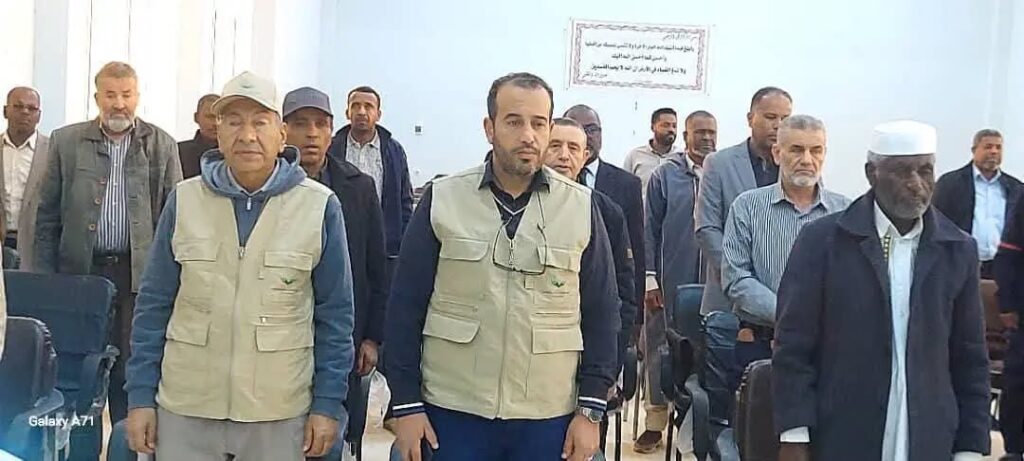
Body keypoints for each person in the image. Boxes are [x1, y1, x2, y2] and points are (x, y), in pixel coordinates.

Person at [386, 72, 619, 461]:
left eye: (538, 123)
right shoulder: (443, 200)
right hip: (454, 410)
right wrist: (406, 404)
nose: (528, 135)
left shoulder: (580, 207)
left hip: (548, 415)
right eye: (514, 122)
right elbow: (404, 307)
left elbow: (602, 313)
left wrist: (590, 410)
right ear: (489, 128)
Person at [123, 71, 355, 460]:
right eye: (233, 122)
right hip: (187, 405)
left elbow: (336, 316)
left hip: (278, 409)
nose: (247, 135)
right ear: (217, 132)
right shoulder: (184, 200)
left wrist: (327, 404)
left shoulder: (318, 206)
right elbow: (153, 305)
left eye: (259, 122)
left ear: (281, 134)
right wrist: (141, 396)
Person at [773, 120, 991, 461]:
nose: (916, 183)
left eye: (925, 170)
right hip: (843, 432)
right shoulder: (824, 242)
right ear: (871, 174)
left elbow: (970, 358)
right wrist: (794, 436)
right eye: (902, 172)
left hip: (929, 436)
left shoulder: (957, 250)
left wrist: (970, 448)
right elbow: (793, 346)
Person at [34, 61, 182, 423]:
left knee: (132, 365)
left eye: (126, 95)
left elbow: (178, 219)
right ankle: (77, 439)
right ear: (96, 97)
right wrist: (45, 280)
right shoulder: (66, 142)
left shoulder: (161, 144)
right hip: (79, 274)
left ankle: (125, 438)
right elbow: (47, 215)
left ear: (137, 97)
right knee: (76, 362)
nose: (119, 104)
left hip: (138, 278)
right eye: (111, 95)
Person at [283, 86, 388, 453]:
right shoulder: (266, 188)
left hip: (342, 334)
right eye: (300, 124)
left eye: (320, 125)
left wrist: (372, 337)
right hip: (280, 335)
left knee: (330, 434)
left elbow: (376, 266)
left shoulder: (358, 187)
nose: (311, 134)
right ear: (282, 131)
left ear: (331, 132)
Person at [721, 115, 850, 386]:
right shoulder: (747, 207)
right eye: (796, 150)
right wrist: (792, 315)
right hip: (761, 346)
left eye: (816, 150)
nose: (807, 159)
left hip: (829, 349)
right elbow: (736, 278)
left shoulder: (846, 213)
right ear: (777, 154)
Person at [640, 109, 717, 453]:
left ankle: (696, 421)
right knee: (659, 349)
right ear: (686, 136)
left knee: (706, 351)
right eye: (699, 132)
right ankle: (654, 423)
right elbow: (648, 229)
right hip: (669, 281)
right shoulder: (665, 175)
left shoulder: (722, 172)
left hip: (713, 284)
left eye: (711, 132)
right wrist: (649, 279)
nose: (706, 137)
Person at [544, 116, 635, 392]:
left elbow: (623, 297)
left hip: (588, 354)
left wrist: (608, 371)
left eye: (573, 148)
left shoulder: (606, 212)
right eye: (555, 146)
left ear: (585, 156)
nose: (564, 155)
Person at [696, 86, 792, 316]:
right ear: (750, 119)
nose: (778, 125)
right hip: (728, 299)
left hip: (787, 298)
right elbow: (707, 228)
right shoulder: (719, 164)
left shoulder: (799, 166)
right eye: (770, 117)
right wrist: (741, 276)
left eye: (785, 119)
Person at [327, 86, 413, 278]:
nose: (361, 111)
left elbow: (405, 200)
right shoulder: (332, 148)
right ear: (347, 113)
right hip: (340, 238)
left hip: (385, 244)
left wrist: (403, 242)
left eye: (368, 106)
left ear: (378, 114)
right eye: (355, 106)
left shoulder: (394, 151)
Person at [932, 128, 1021, 279]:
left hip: (1002, 267)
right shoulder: (950, 184)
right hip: (960, 265)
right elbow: (937, 224)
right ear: (974, 150)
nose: (994, 151)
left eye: (998, 147)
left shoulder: (1015, 188)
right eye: (988, 147)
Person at [2, 87, 50, 268]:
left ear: (39, 116)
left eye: (32, 108)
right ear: (5, 111)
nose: (25, 112)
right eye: (18, 106)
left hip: (36, 247)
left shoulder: (53, 151)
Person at [623, 107, 682, 194]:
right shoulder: (635, 156)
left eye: (674, 126)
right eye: (665, 125)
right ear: (652, 127)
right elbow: (624, 187)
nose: (671, 130)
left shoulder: (681, 157)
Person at [177, 93, 219, 179]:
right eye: (209, 117)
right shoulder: (178, 152)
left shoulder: (235, 154)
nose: (215, 123)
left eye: (220, 117)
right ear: (196, 117)